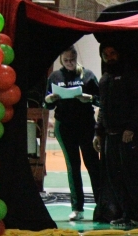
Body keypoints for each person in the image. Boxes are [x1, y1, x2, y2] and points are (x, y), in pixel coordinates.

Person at [92, 42, 138, 228]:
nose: (110, 57)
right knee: (115, 178)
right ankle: (126, 214)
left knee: (132, 177)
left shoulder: (131, 75)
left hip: (128, 136)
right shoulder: (104, 80)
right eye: (106, 54)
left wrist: (131, 128)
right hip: (109, 136)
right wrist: (98, 133)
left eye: (112, 53)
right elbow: (102, 108)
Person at [44, 46, 102, 222]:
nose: (69, 63)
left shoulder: (88, 75)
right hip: (64, 126)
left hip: (86, 125)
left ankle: (102, 205)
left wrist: (89, 98)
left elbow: (101, 99)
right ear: (61, 60)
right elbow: (47, 104)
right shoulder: (55, 77)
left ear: (76, 57)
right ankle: (77, 208)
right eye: (66, 60)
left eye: (72, 59)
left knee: (92, 164)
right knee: (72, 166)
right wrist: (49, 99)